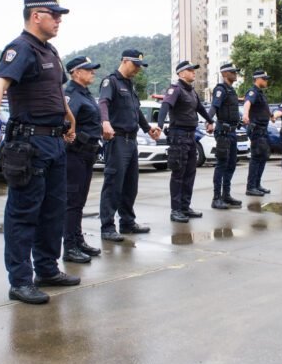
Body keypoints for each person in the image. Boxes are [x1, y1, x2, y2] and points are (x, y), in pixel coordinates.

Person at [0, 0, 80, 306]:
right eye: (54, 14)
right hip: (30, 143)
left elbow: (57, 93)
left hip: (55, 140)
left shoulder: (50, 51)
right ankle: (20, 281)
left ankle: (46, 269)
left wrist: (69, 119)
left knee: (53, 209)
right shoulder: (20, 48)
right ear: (36, 16)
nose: (59, 20)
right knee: (23, 213)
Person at [97, 50, 162, 241]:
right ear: (124, 61)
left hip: (131, 141)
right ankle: (107, 227)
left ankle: (127, 222)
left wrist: (147, 128)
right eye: (135, 65)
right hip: (117, 140)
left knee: (130, 185)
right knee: (113, 184)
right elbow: (103, 103)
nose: (138, 69)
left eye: (139, 66)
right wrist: (105, 122)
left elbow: (136, 111)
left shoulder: (129, 84)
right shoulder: (111, 82)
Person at [158, 61, 215, 222]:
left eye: (193, 70)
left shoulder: (192, 92)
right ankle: (175, 210)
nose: (193, 73)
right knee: (178, 173)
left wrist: (210, 121)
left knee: (190, 172)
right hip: (179, 135)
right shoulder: (175, 89)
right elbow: (165, 105)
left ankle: (185, 206)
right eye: (190, 70)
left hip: (191, 136)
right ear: (181, 73)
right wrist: (160, 125)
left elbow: (201, 109)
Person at [62, 56, 103, 263]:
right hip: (75, 154)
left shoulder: (85, 93)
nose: (92, 72)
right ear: (76, 72)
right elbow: (66, 123)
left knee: (80, 201)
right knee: (72, 201)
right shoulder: (71, 94)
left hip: (87, 154)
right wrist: (79, 138)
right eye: (89, 70)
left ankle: (78, 240)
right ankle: (69, 247)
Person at [208, 63, 243, 209]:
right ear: (224, 74)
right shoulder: (220, 89)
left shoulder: (232, 90)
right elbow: (214, 107)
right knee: (222, 164)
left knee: (231, 164)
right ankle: (216, 198)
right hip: (223, 132)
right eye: (232, 72)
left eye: (235, 72)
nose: (235, 74)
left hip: (232, 132)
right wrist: (209, 121)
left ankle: (226, 195)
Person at [242, 70, 272, 196]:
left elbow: (262, 108)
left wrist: (270, 115)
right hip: (256, 129)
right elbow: (247, 102)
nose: (266, 81)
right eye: (264, 79)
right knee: (256, 157)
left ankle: (257, 184)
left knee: (263, 156)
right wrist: (245, 114)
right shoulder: (253, 91)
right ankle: (251, 187)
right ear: (257, 79)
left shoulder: (260, 93)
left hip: (263, 129)